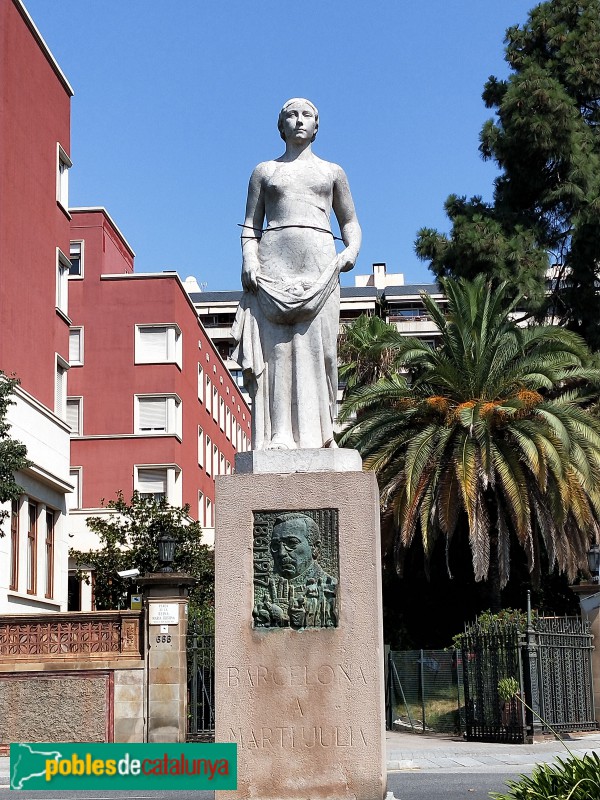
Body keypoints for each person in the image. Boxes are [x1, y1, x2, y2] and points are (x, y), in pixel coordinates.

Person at [232, 98, 362, 450]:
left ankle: (323, 433)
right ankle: (280, 435)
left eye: (307, 115)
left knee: (325, 352)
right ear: (281, 126)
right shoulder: (265, 171)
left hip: (321, 266)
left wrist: (350, 251)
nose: (299, 120)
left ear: (317, 126)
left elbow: (349, 221)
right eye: (292, 114)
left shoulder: (332, 172)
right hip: (273, 265)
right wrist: (249, 258)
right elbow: (250, 223)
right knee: (278, 353)